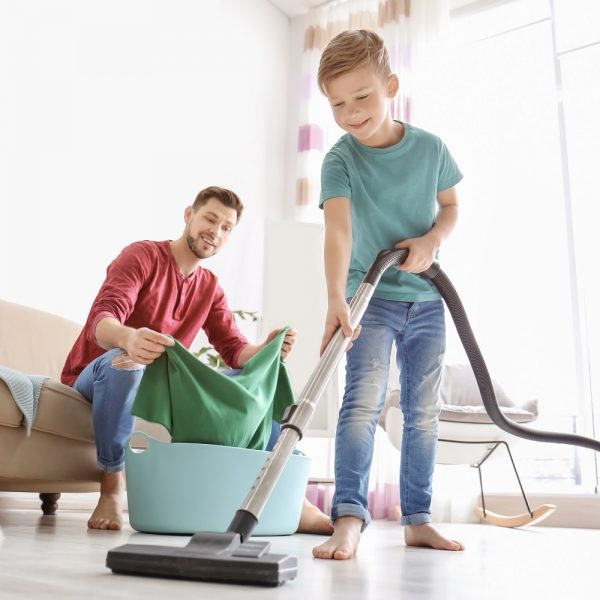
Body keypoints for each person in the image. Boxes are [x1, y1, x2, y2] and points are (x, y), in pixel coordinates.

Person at [61, 185, 332, 534]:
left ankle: (287, 494)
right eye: (210, 218)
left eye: (226, 227)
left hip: (159, 387)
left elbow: (235, 351)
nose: (215, 232)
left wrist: (266, 350)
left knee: (261, 381)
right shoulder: (141, 256)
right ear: (189, 215)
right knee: (126, 363)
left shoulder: (209, 286)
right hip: (99, 375)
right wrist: (129, 337)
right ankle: (113, 483)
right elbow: (103, 319)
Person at [313, 30, 465, 560]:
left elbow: (450, 207)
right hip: (370, 299)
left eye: (362, 97)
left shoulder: (430, 148)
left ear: (391, 85)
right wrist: (337, 295)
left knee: (423, 411)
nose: (351, 113)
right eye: (336, 103)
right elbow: (338, 232)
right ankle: (349, 517)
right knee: (361, 405)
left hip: (427, 299)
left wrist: (431, 241)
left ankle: (418, 518)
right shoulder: (340, 161)